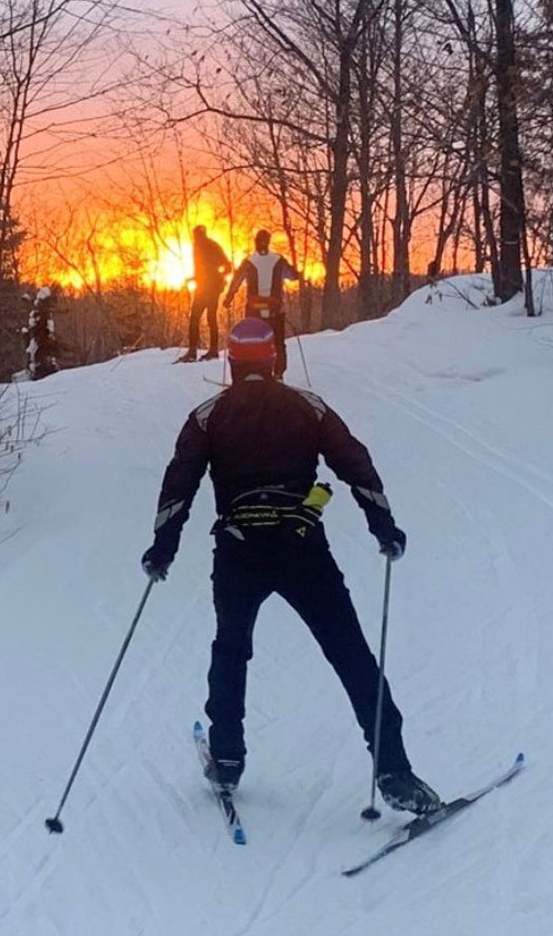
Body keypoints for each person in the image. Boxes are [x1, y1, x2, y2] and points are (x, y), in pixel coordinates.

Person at [141, 317, 441, 814]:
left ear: (232, 363)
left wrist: (162, 549)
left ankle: (228, 760)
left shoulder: (206, 415)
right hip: (302, 546)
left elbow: (179, 485)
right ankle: (394, 770)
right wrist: (383, 527)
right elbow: (356, 464)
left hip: (239, 550)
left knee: (231, 651)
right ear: (275, 360)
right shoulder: (309, 406)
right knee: (350, 654)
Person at [223, 229, 300, 380]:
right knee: (278, 342)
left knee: (252, 341)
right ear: (269, 241)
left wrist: (229, 298)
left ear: (256, 243)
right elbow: (293, 276)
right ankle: (278, 374)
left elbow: (236, 281)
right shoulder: (279, 260)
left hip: (254, 311)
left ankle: (251, 373)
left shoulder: (249, 261)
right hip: (275, 310)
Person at [179, 226, 231, 362]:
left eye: (196, 235)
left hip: (210, 289)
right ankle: (203, 350)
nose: (195, 238)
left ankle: (198, 351)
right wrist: (194, 278)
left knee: (201, 318)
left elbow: (227, 266)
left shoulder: (210, 246)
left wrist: (217, 278)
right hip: (204, 287)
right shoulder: (202, 247)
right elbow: (203, 271)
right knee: (205, 318)